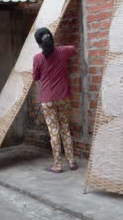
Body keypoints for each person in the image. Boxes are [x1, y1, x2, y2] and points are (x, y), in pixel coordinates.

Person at [32, 27, 78, 173]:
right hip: (63, 96)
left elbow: (35, 77)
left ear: (39, 44)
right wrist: (57, 46)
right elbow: (74, 48)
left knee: (54, 131)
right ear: (51, 38)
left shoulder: (37, 58)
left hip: (47, 99)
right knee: (65, 128)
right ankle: (71, 162)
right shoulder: (62, 51)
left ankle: (57, 165)